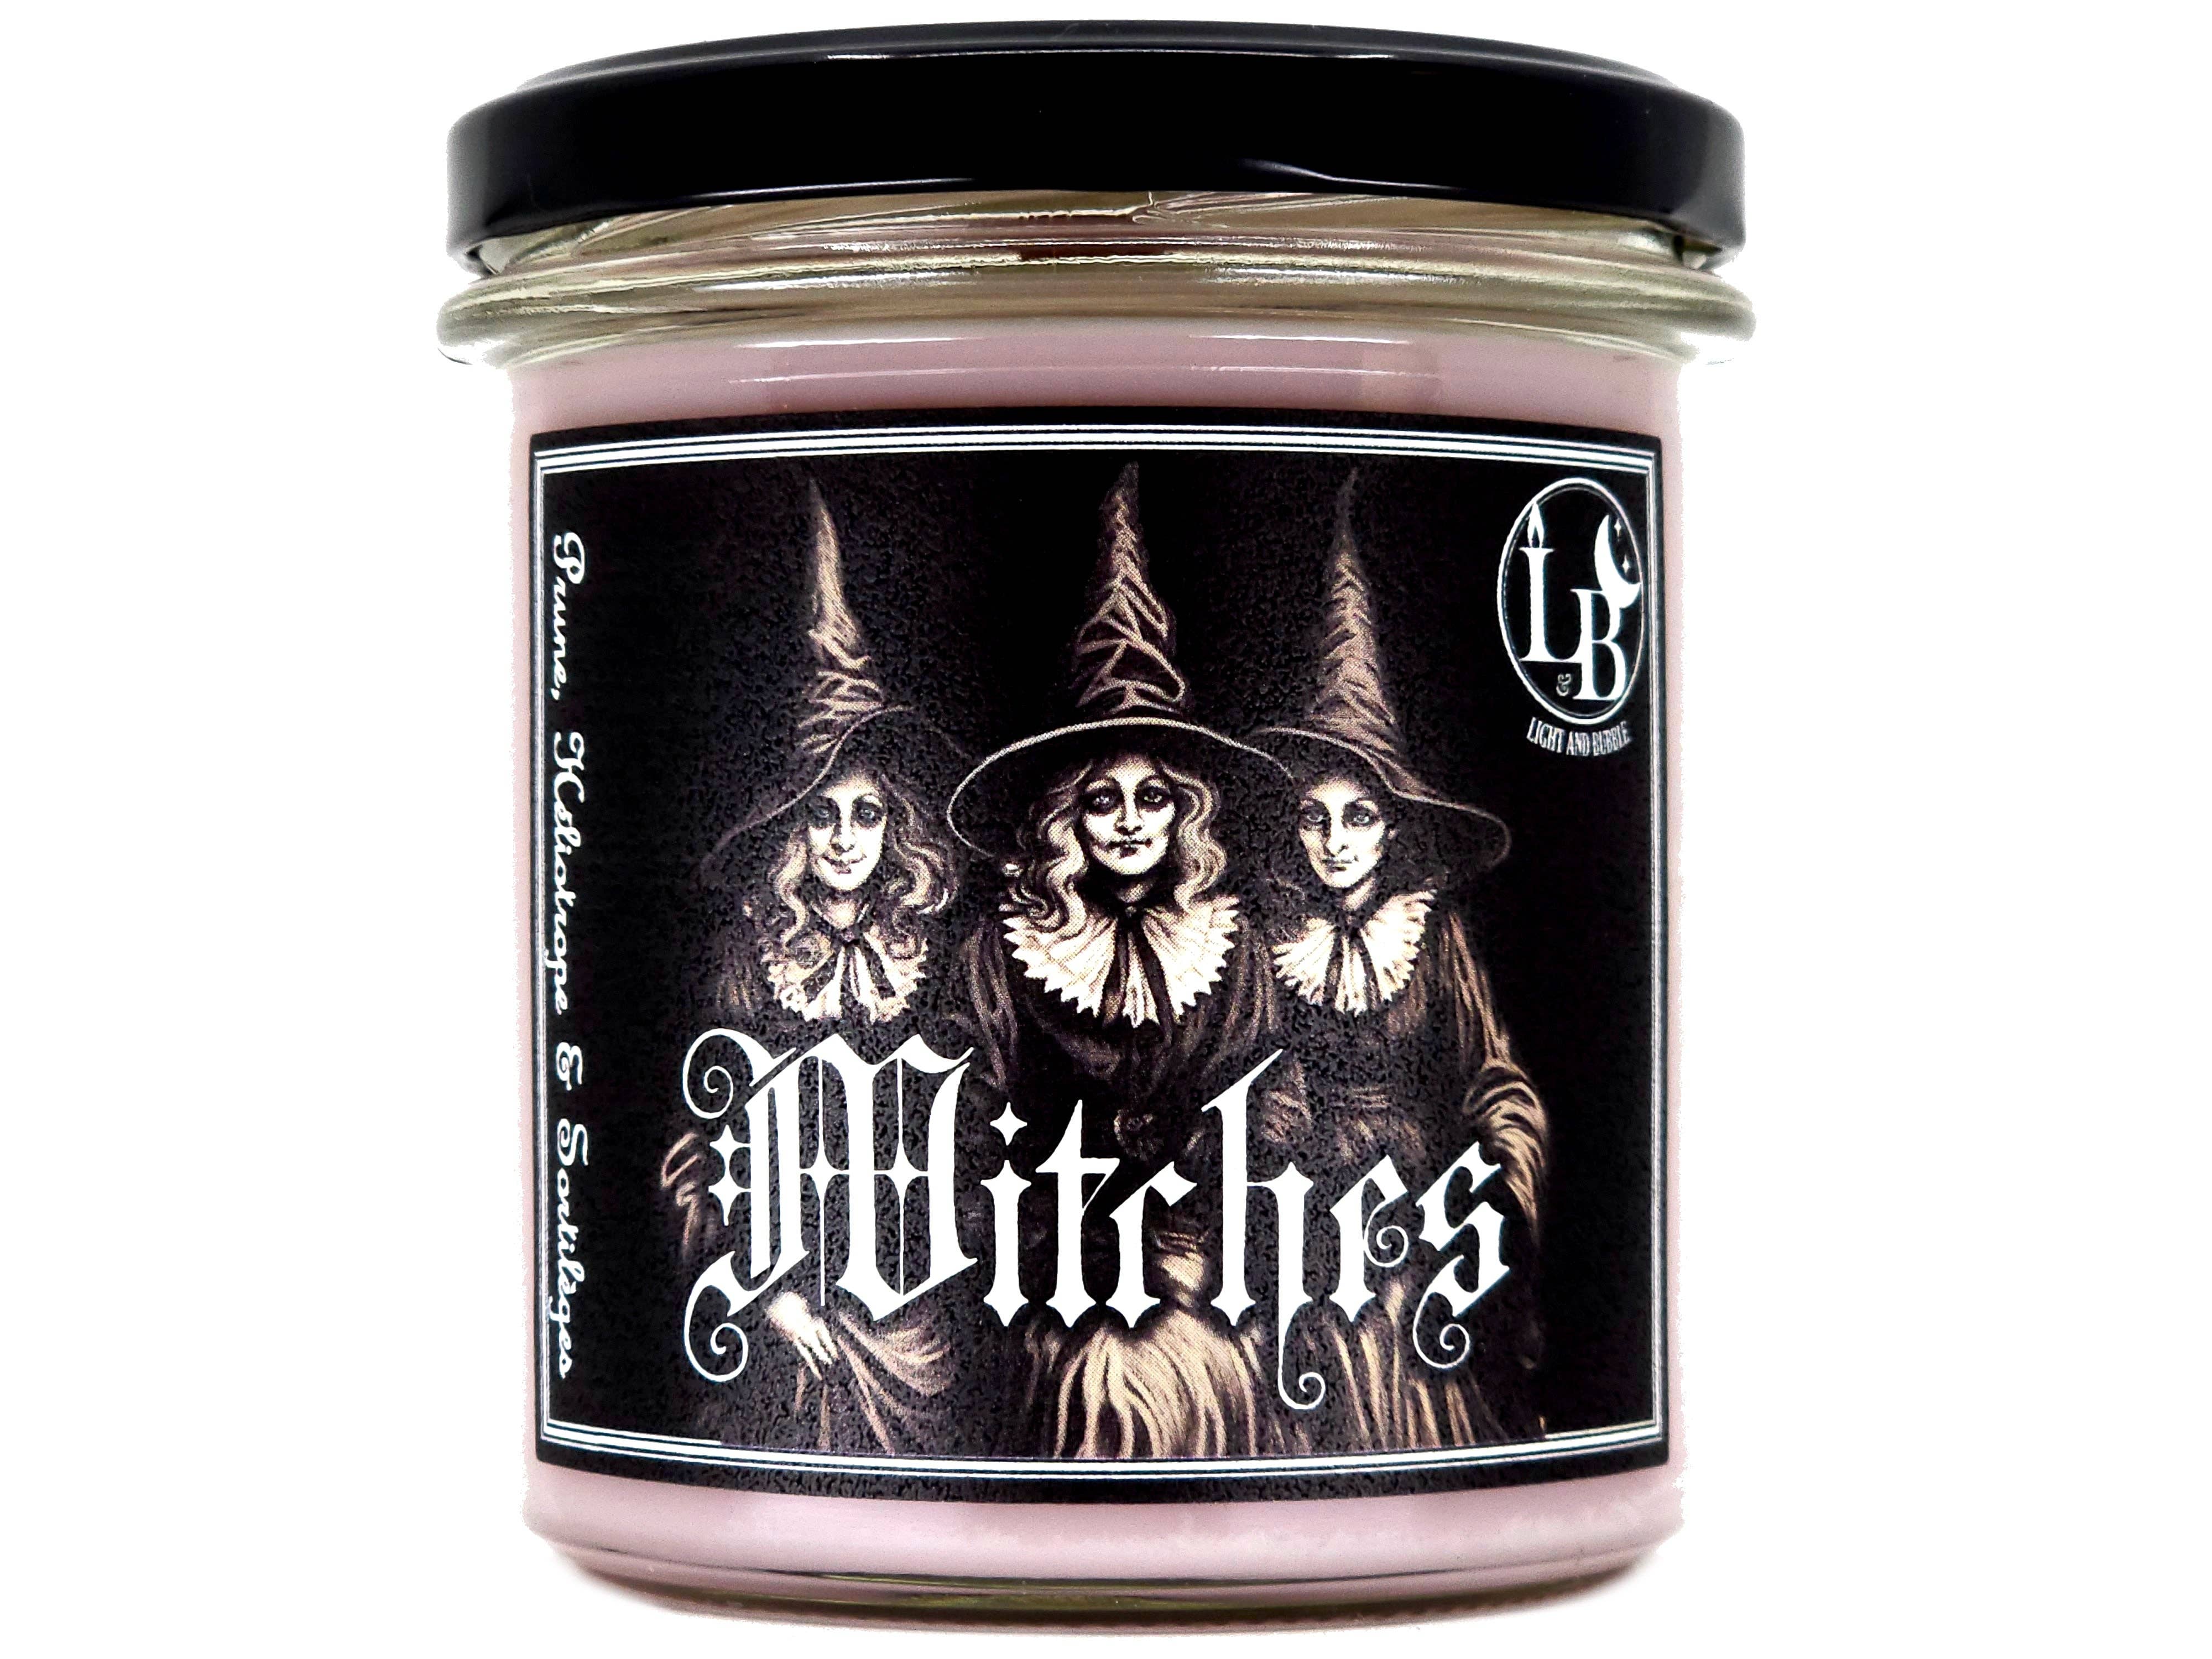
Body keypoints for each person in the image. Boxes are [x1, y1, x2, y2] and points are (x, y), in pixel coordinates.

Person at [947, 464, 1307, 1458]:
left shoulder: (1233, 945)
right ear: (1066, 820)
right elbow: (966, 1118)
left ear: (1186, 813)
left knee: (1201, 1370)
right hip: (1044, 1259)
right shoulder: (1001, 950)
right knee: (1087, 1382)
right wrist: (1046, 1232)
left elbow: (1275, 1097)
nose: (1130, 822)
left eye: (1154, 798)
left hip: (1201, 1254)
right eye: (1103, 800)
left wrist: (1207, 1219)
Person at [662, 478, 967, 1456]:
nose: (843, 838)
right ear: (794, 830)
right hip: (782, 1295)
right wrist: (763, 1290)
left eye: (866, 814)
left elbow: (980, 1132)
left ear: (896, 829)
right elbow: (699, 1146)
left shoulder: (935, 955)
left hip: (913, 1301)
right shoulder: (749, 953)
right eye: (822, 815)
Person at [1253, 474, 1549, 1449]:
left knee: (1423, 1382)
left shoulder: (1434, 935)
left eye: (1360, 817)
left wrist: (1498, 1173)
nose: (1335, 842)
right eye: (1315, 818)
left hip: (1423, 1206)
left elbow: (1496, 1078)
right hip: (1297, 1210)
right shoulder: (1265, 937)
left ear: (1392, 829)